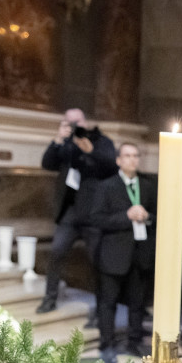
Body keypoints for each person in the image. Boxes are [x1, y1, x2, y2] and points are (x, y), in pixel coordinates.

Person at [38, 108, 117, 313]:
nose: (75, 126)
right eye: (70, 122)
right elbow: (47, 163)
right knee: (56, 251)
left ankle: (102, 306)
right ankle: (49, 298)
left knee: (97, 260)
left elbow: (111, 166)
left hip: (94, 212)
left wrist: (90, 150)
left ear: (85, 121)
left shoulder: (101, 141)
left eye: (78, 121)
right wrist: (57, 140)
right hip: (71, 212)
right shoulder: (65, 144)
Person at [87, 142, 157, 363]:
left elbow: (157, 215)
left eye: (135, 155)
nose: (132, 160)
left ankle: (134, 342)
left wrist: (147, 216)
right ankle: (106, 344)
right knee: (109, 302)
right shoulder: (107, 186)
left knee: (137, 303)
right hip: (114, 254)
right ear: (118, 160)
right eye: (127, 156)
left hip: (140, 252)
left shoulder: (147, 185)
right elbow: (96, 218)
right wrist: (126, 216)